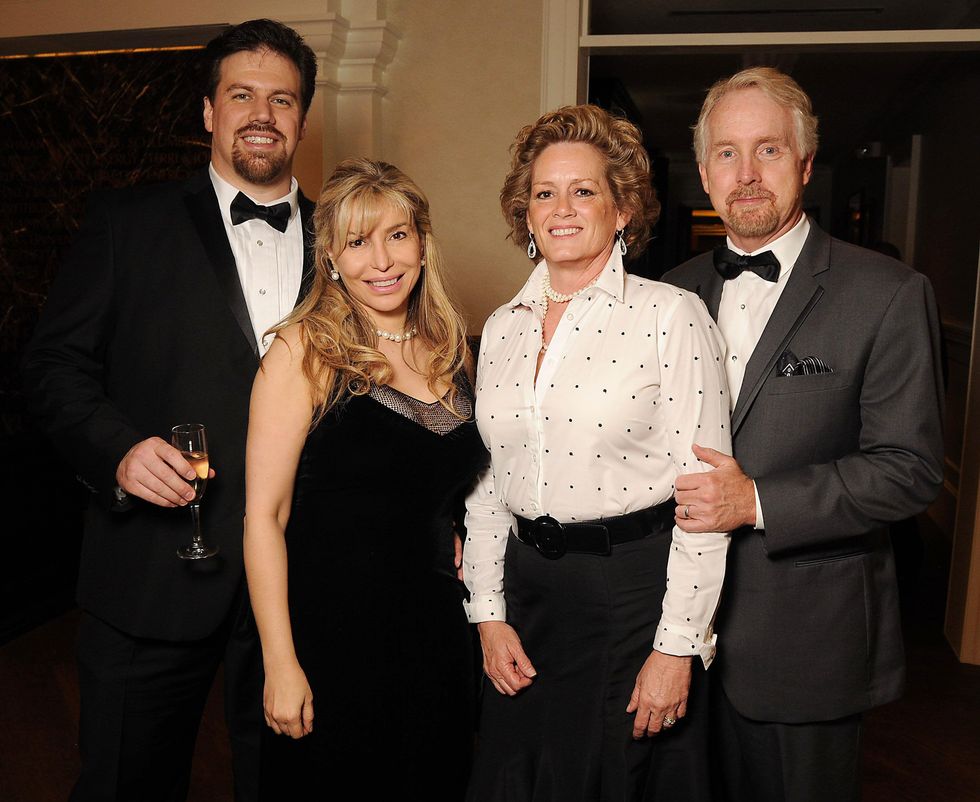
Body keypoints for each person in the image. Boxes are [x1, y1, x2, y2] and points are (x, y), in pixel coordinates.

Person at [22, 19, 318, 801]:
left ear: (302, 117)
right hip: (150, 570)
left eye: (281, 99)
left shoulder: (350, 244)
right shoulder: (128, 223)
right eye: (242, 95)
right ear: (208, 113)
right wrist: (117, 449)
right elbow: (54, 365)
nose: (262, 113)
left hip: (299, 584)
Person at [663, 67, 944, 801]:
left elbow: (909, 468)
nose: (746, 174)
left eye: (769, 151)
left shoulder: (886, 293)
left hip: (805, 646)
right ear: (702, 171)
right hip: (670, 642)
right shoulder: (671, 291)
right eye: (727, 153)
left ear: (807, 163)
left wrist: (754, 501)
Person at [463, 104, 732, 801]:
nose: (561, 208)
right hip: (526, 598)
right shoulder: (499, 328)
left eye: (584, 191)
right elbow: (489, 483)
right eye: (544, 193)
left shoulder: (670, 316)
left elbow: (706, 498)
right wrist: (488, 614)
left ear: (622, 211)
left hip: (627, 598)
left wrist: (677, 648)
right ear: (525, 214)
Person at [244, 157, 487, 798]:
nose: (380, 260)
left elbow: (451, 484)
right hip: (331, 639)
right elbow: (263, 518)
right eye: (357, 241)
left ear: (423, 242)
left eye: (397, 235)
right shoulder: (302, 352)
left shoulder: (453, 347)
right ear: (330, 257)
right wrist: (280, 661)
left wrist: (460, 531)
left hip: (436, 634)